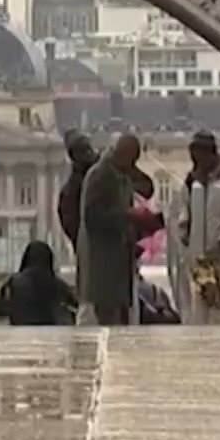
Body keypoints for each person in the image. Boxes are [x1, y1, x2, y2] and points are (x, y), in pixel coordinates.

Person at [170, 130, 220, 325]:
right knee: (199, 317)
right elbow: (184, 215)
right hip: (199, 264)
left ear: (211, 153)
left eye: (199, 158)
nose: (196, 163)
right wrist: (184, 236)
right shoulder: (191, 182)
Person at [77, 134, 140, 326]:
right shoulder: (100, 175)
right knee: (107, 314)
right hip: (103, 259)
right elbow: (92, 215)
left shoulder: (121, 175)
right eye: (131, 159)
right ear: (122, 154)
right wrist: (126, 216)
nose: (133, 165)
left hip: (118, 258)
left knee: (117, 315)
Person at [0, 241, 76, 326]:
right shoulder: (58, 285)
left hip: (20, 334)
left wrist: (12, 307)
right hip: (50, 334)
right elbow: (76, 306)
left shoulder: (13, 283)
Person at [56, 132, 101, 250]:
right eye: (85, 151)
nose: (90, 154)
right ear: (75, 156)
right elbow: (71, 225)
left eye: (90, 149)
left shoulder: (101, 176)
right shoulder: (72, 189)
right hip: (91, 246)